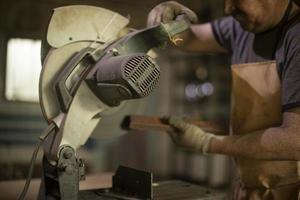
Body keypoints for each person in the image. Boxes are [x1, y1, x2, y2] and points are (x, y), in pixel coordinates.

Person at [147, 0, 300, 199]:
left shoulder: (296, 38)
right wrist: (172, 17)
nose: (228, 9)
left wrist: (208, 142)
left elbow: (294, 139)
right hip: (253, 187)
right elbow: (188, 39)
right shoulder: (240, 29)